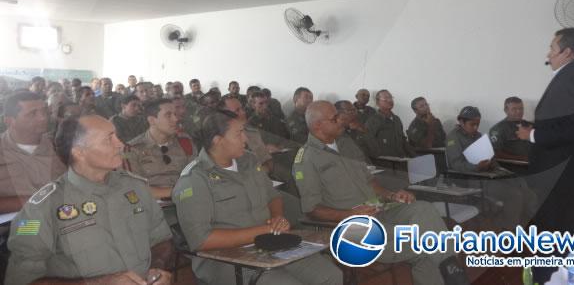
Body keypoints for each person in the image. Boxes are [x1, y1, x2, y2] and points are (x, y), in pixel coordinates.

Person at [293, 101, 470, 285]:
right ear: (317, 125)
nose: (341, 120)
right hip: (350, 225)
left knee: (423, 209)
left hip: (378, 209)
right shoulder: (306, 159)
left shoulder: (346, 144)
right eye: (335, 118)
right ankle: (450, 270)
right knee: (423, 244)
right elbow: (312, 209)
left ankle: (450, 267)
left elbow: (369, 181)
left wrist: (392, 195)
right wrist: (350, 214)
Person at [173, 111, 343, 285]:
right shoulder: (194, 179)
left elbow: (273, 196)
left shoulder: (249, 161)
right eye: (239, 133)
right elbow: (202, 240)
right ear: (218, 140)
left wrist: (277, 217)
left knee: (330, 276)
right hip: (224, 257)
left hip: (270, 244)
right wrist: (263, 231)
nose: (245, 138)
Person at [5, 115, 173, 285]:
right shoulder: (41, 208)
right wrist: (98, 283)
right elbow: (21, 280)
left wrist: (158, 267)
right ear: (79, 151)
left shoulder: (135, 187)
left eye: (116, 135)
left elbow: (161, 239)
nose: (120, 144)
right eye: (109, 139)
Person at [516, 28, 574, 284]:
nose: (548, 54)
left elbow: (569, 129)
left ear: (568, 52)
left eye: (552, 49)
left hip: (565, 179)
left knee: (556, 234)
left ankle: (548, 278)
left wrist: (531, 135)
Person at [446, 106, 536, 229]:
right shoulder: (454, 138)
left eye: (477, 124)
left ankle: (526, 226)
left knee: (525, 189)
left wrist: (492, 164)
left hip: (489, 175)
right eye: (472, 124)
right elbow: (456, 164)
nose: (476, 128)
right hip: (472, 180)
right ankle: (508, 232)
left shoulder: (478, 136)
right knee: (514, 195)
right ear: (461, 122)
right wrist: (476, 167)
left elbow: (491, 157)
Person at [0, 91, 66, 213]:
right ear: (9, 121)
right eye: (32, 114)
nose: (43, 118)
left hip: (61, 219)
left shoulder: (59, 146)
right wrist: (36, 200)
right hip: (13, 226)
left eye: (44, 112)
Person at [124, 99, 196, 201]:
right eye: (168, 115)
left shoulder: (185, 142)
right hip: (151, 208)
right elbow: (133, 189)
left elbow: (196, 177)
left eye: (175, 114)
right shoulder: (132, 149)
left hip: (186, 202)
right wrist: (177, 192)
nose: (175, 119)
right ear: (152, 120)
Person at [365, 90, 416, 159]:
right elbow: (369, 143)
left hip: (400, 161)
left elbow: (403, 140)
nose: (389, 100)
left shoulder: (396, 119)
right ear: (377, 103)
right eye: (385, 98)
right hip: (384, 162)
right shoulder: (373, 121)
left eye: (391, 98)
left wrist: (414, 156)